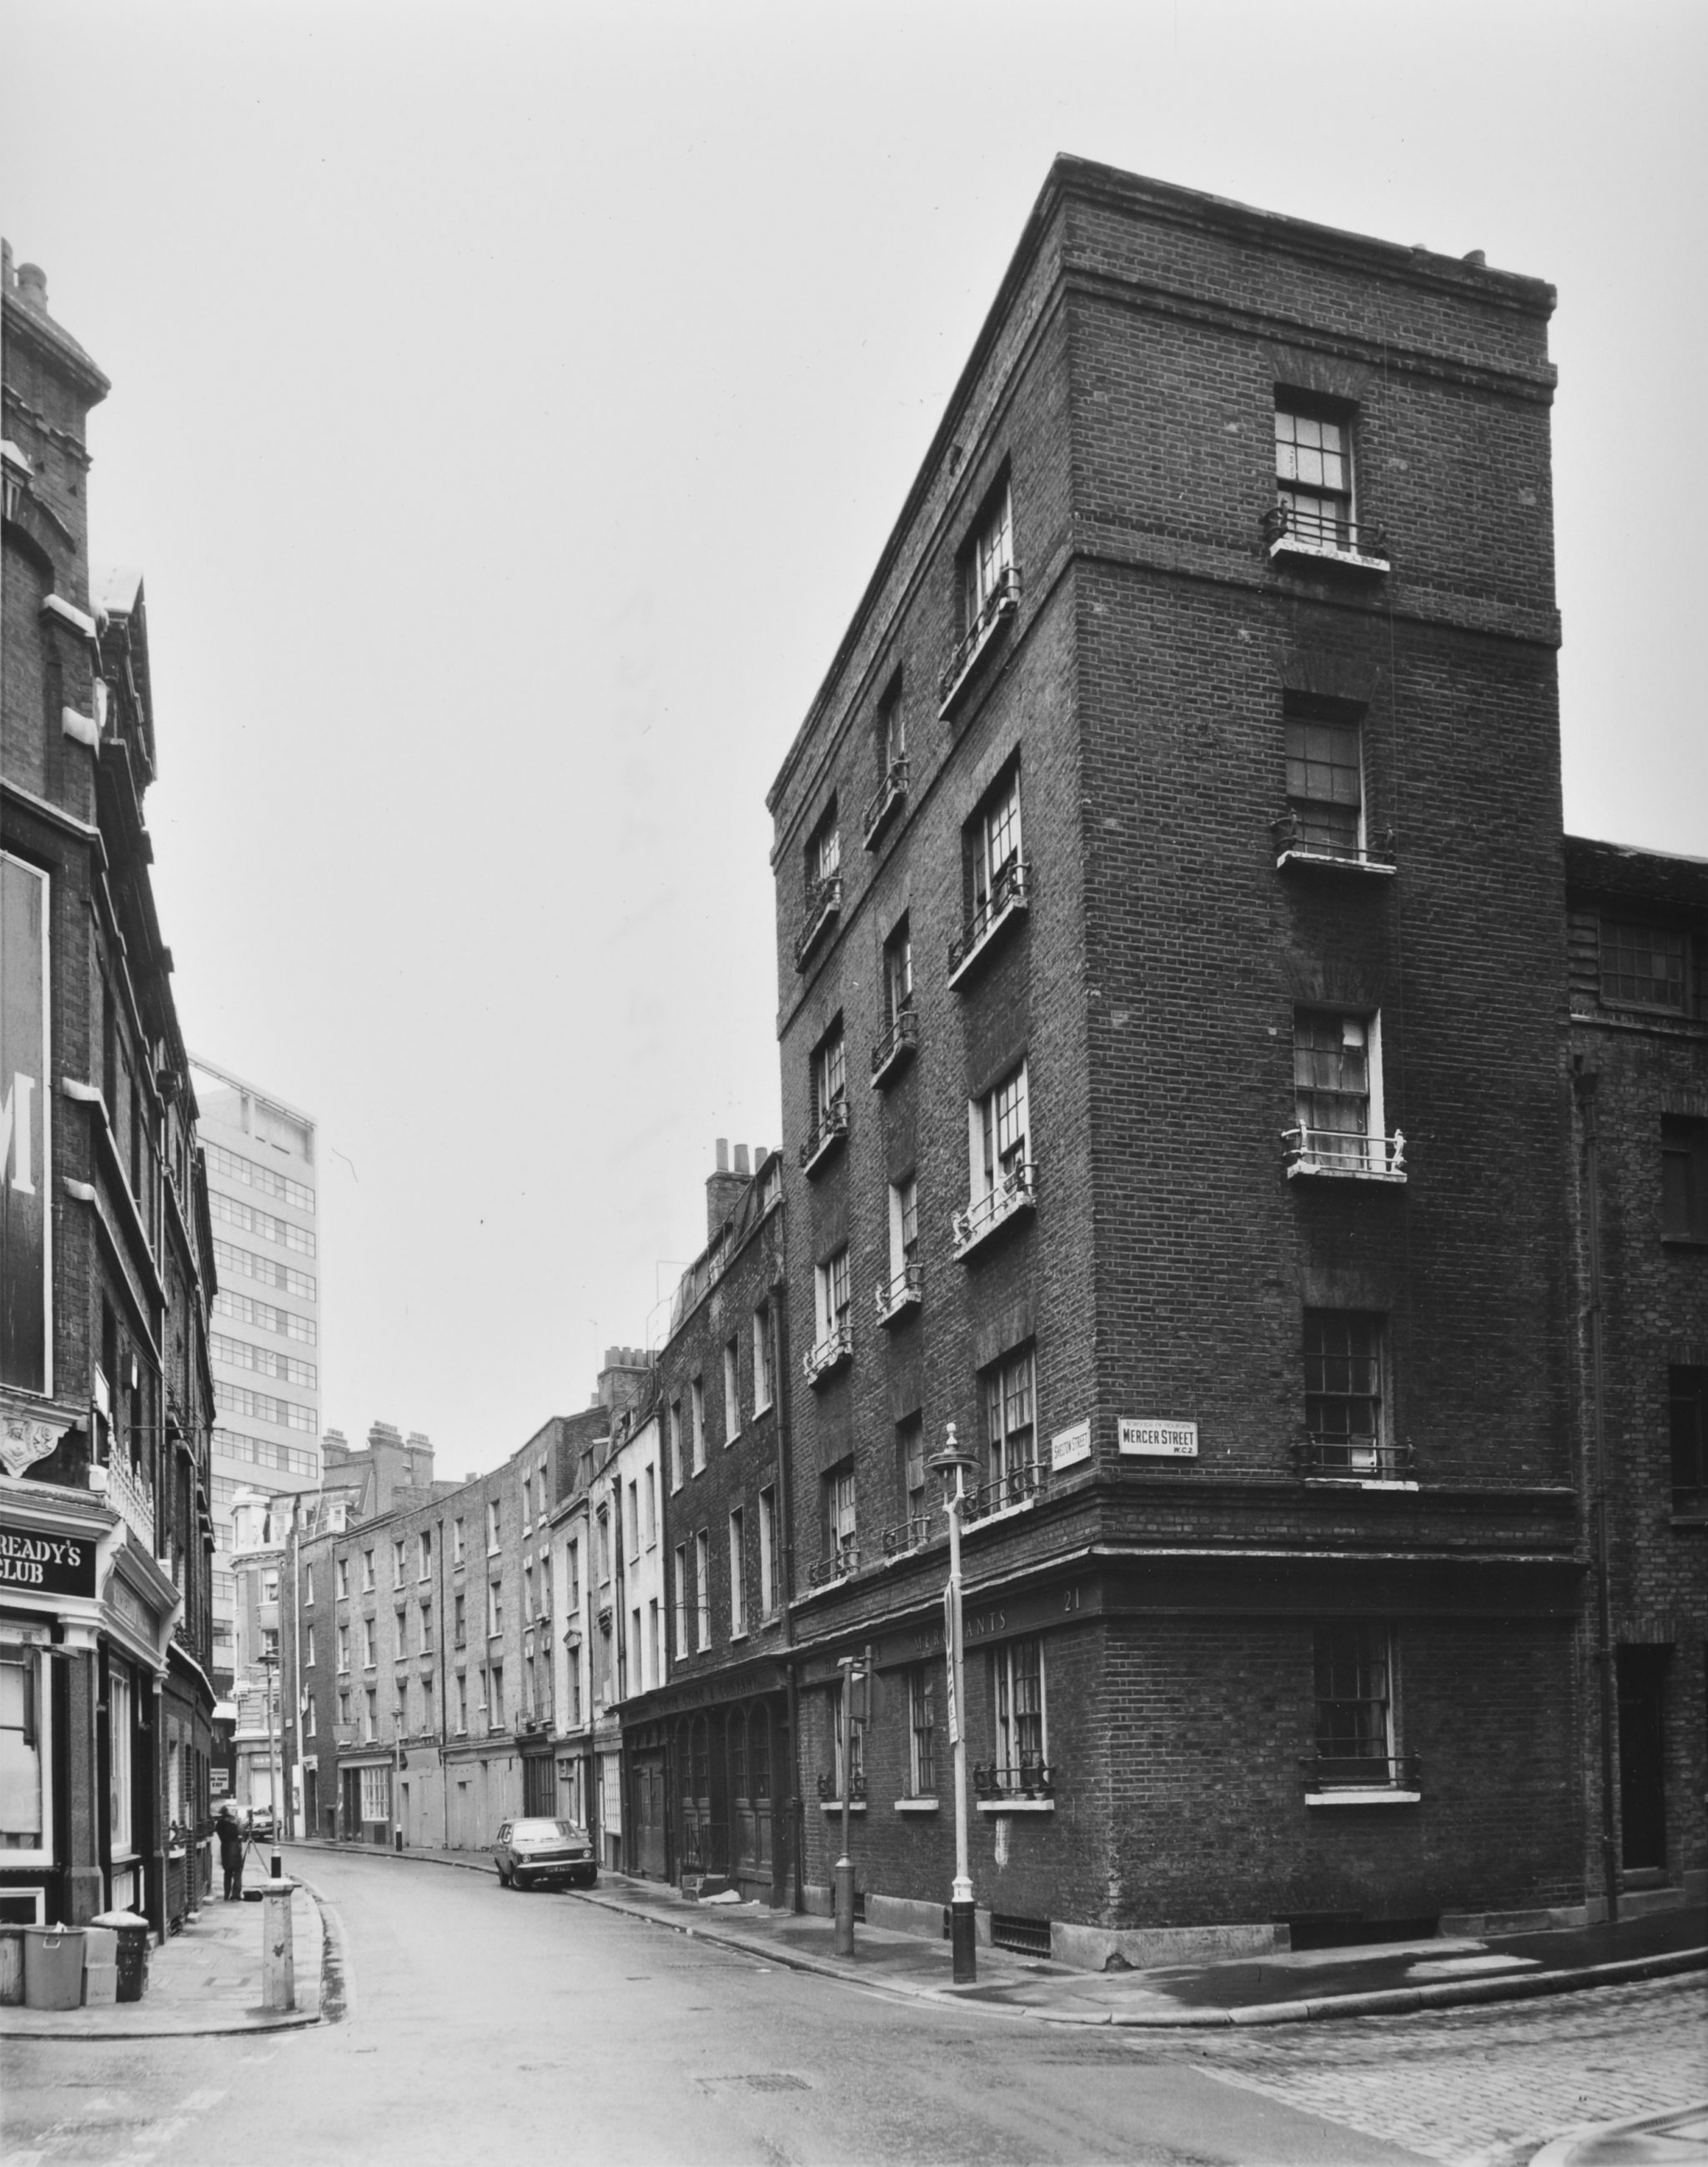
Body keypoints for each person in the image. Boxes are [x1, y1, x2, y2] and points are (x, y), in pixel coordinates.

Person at [217, 1804, 245, 1902]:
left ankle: (226, 1894)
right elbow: (240, 1832)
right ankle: (236, 1894)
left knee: (227, 1873)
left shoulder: (219, 1824)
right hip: (235, 1848)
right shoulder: (234, 1822)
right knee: (237, 1872)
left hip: (225, 1849)